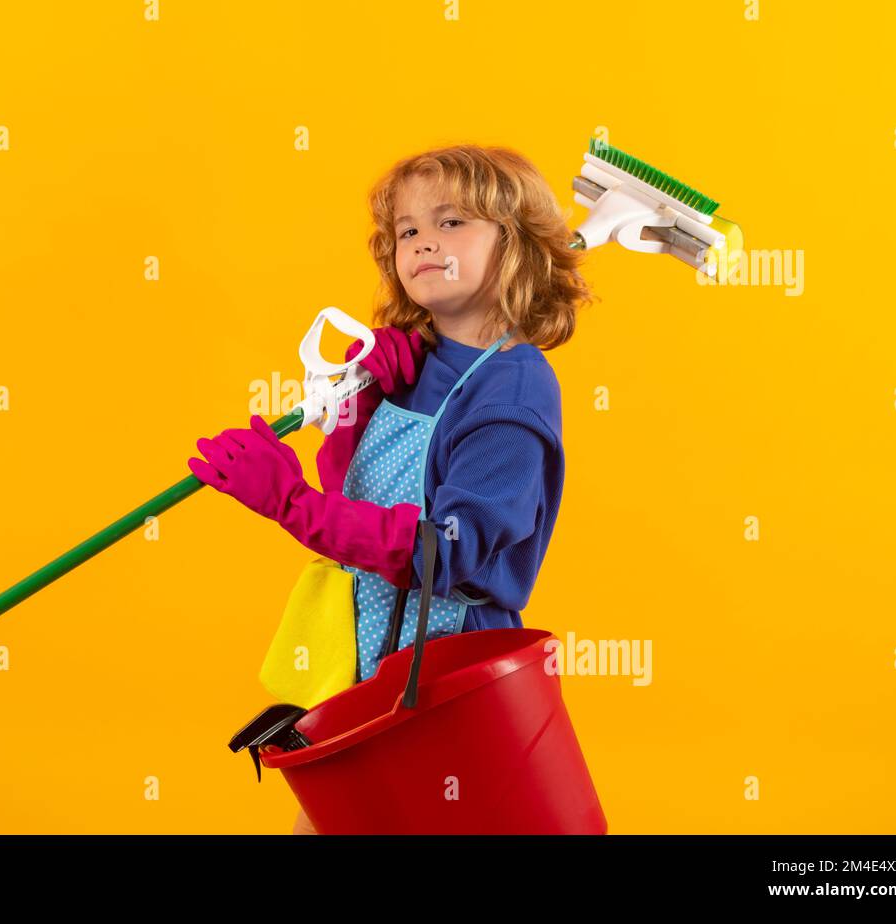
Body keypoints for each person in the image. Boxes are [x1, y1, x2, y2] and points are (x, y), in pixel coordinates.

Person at [189, 145, 595, 834]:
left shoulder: (512, 387)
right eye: (408, 231)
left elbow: (444, 555)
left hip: (448, 689)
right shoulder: (410, 365)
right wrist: (358, 397)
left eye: (453, 222)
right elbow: (350, 488)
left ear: (518, 249)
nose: (425, 241)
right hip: (370, 670)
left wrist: (289, 504)